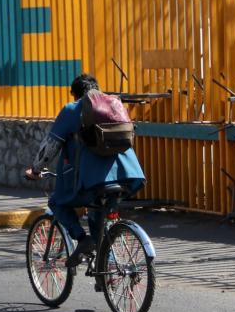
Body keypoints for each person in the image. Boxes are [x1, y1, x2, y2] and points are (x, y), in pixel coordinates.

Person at [25, 74, 146, 267]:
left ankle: (82, 240)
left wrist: (36, 169)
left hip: (91, 182)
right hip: (127, 177)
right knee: (100, 214)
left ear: (75, 94)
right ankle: (105, 269)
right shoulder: (115, 105)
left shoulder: (72, 110)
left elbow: (51, 146)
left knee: (57, 203)